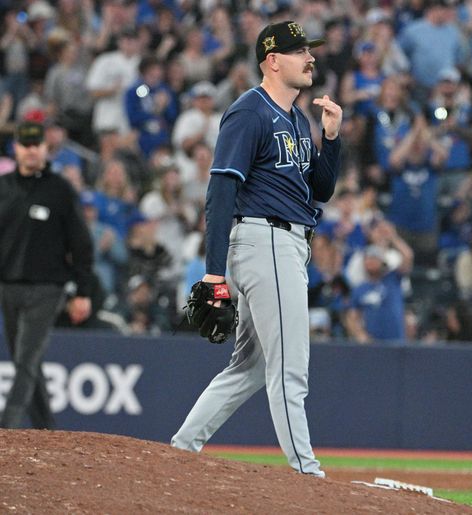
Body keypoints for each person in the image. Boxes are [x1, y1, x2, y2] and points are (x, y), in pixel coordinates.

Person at [171, 21, 343, 478]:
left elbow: (320, 189)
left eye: (310, 49)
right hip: (265, 239)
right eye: (299, 51)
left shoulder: (298, 119)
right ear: (272, 61)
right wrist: (213, 273)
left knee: (249, 367)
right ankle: (307, 474)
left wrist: (331, 138)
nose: (310, 57)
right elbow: (221, 189)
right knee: (290, 368)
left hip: (286, 241)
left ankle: (181, 450)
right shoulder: (249, 111)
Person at [0, 121, 93, 429]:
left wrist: (82, 291)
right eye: (25, 145)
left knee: (26, 358)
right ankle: (46, 429)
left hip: (47, 288)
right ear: (16, 148)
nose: (30, 151)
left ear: (44, 148)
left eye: (35, 145)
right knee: (25, 359)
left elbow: (81, 243)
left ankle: (7, 426)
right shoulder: (3, 188)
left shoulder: (60, 189)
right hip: (8, 285)